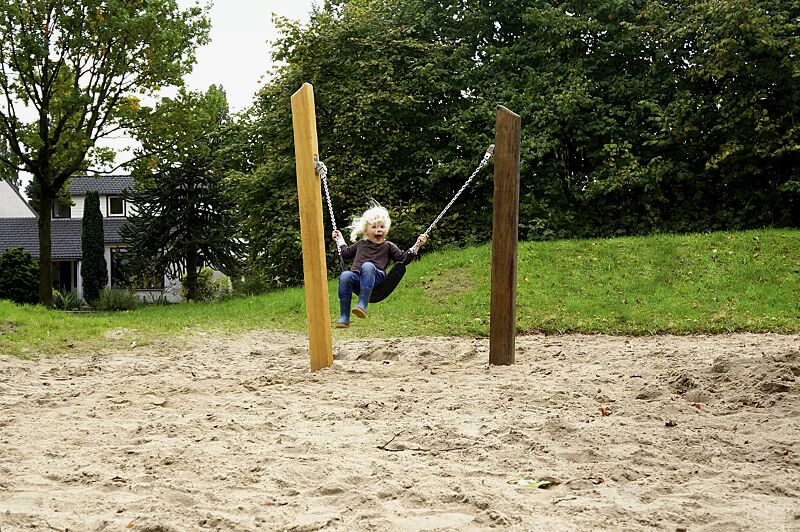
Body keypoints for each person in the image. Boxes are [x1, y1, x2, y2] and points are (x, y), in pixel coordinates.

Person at [332, 203, 427, 328]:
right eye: (374, 227)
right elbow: (345, 253)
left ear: (386, 230)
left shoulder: (388, 246)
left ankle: (362, 304)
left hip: (377, 279)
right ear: (366, 230)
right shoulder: (360, 244)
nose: (378, 229)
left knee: (368, 266)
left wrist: (417, 246)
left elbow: (402, 259)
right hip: (357, 279)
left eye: (382, 227)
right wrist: (339, 239)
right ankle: (344, 317)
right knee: (345, 275)